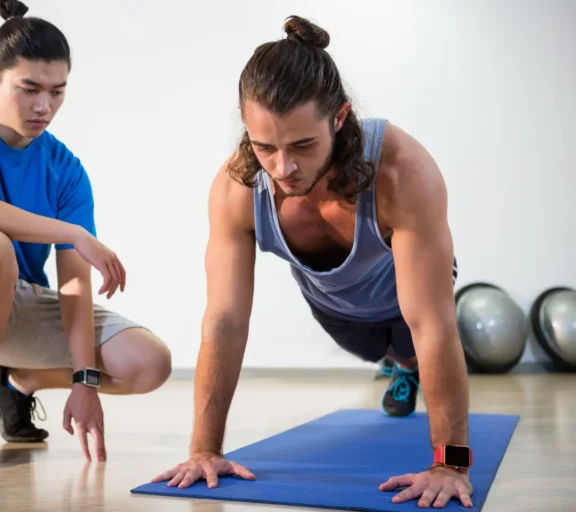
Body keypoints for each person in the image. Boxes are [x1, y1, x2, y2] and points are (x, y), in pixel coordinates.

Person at [152, 15, 473, 509]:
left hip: (408, 297)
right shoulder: (236, 190)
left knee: (415, 337)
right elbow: (225, 320)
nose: (284, 168)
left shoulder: (402, 172)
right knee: (379, 350)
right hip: (337, 305)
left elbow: (430, 321)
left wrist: (451, 464)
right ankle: (398, 366)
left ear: (340, 118)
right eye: (265, 147)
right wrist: (204, 450)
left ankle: (405, 365)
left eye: (303, 145)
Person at [0, 0, 171, 468]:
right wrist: (73, 232)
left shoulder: (65, 169)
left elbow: (73, 283)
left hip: (18, 300)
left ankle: (19, 382)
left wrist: (84, 380)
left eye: (57, 91)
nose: (44, 106)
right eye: (28, 89)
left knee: (149, 363)